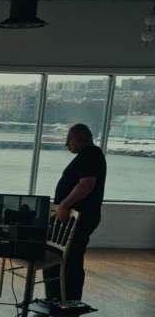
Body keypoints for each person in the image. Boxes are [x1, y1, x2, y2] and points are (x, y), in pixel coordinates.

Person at [45, 123, 106, 302]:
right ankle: (56, 299)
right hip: (71, 217)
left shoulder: (91, 154)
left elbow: (86, 184)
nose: (66, 143)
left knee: (70, 260)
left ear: (81, 138)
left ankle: (68, 301)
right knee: (60, 256)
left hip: (78, 218)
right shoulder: (89, 155)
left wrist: (64, 206)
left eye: (69, 139)